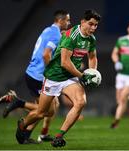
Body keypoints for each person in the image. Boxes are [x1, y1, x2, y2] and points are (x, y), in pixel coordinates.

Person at [15, 9, 101, 147]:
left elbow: (92, 57)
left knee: (80, 102)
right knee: (42, 112)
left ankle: (58, 137)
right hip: (53, 77)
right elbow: (65, 63)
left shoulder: (91, 40)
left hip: (70, 78)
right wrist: (83, 76)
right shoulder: (70, 36)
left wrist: (93, 73)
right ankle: (23, 124)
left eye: (96, 25)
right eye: (91, 24)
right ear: (83, 22)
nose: (93, 28)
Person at [0, 10, 70, 144]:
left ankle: (28, 135)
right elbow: (46, 55)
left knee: (48, 107)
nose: (69, 23)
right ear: (61, 21)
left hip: (32, 73)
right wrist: (51, 73)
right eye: (67, 20)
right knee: (48, 110)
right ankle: (18, 103)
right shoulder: (55, 35)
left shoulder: (48, 30)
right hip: (39, 76)